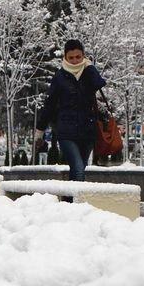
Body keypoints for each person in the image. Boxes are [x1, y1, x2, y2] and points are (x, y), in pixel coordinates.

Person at [35, 39, 106, 181]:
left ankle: (70, 200)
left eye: (78, 57)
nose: (75, 61)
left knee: (79, 168)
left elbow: (99, 83)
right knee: (78, 168)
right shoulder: (60, 77)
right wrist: (40, 130)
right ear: (65, 58)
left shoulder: (88, 73)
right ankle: (76, 202)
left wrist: (89, 66)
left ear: (84, 56)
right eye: (71, 57)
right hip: (66, 131)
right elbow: (49, 104)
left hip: (87, 130)